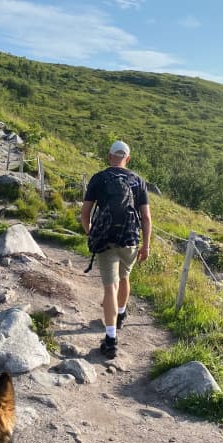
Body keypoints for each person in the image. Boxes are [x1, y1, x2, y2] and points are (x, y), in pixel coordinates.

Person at [81, 140, 151, 358]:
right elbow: (146, 217)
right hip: (129, 238)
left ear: (109, 156)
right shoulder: (138, 181)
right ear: (127, 158)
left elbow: (85, 213)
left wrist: (90, 231)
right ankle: (120, 314)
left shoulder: (99, 178)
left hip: (106, 240)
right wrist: (146, 244)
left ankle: (110, 340)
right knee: (125, 277)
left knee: (110, 287)